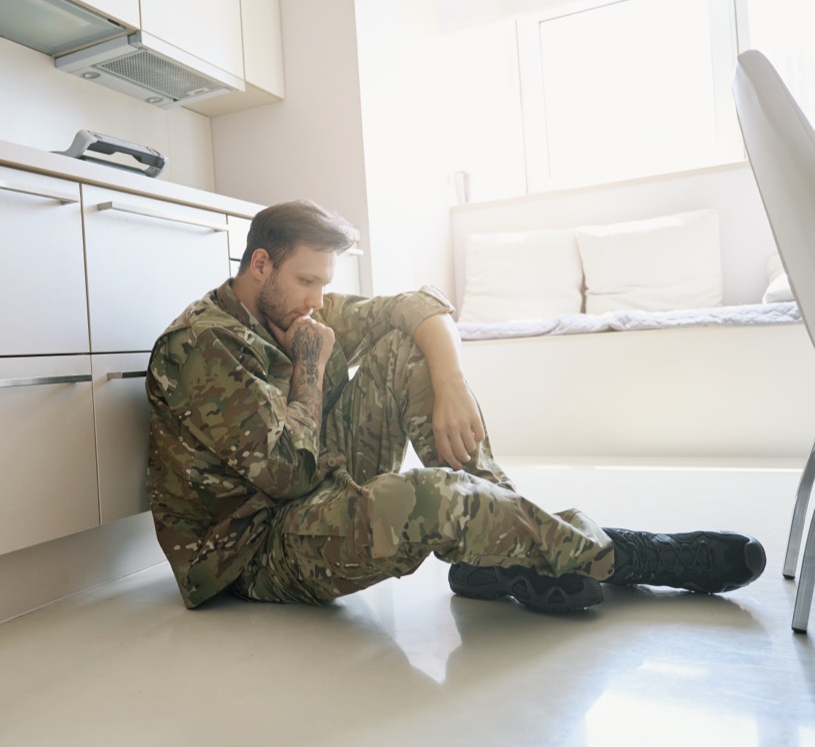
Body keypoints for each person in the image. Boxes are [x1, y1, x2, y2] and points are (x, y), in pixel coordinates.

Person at [144, 199, 766, 613]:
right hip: (249, 549)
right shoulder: (204, 344)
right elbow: (287, 476)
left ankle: (496, 552)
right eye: (307, 281)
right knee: (427, 498)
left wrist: (451, 383)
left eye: (324, 283)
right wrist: (310, 368)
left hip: (313, 485)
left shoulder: (294, 309)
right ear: (260, 264)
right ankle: (628, 555)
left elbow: (417, 305)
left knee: (405, 349)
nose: (317, 298)